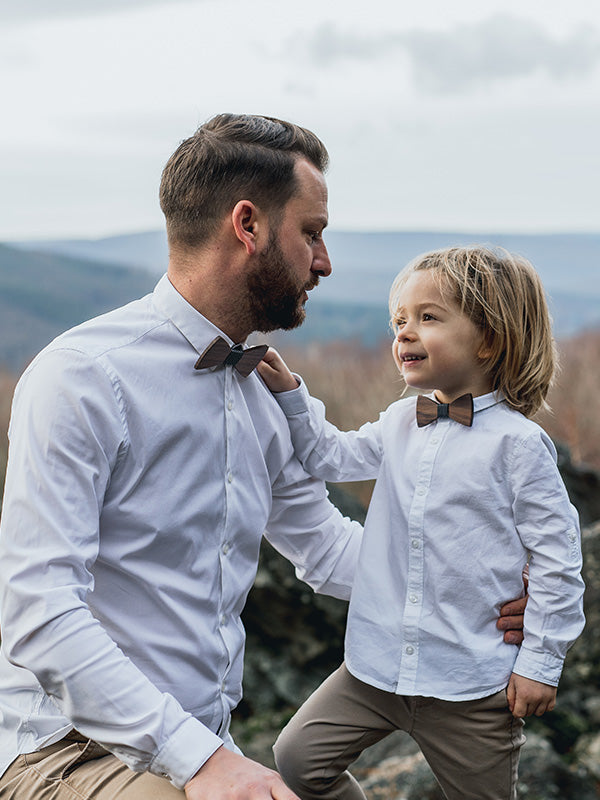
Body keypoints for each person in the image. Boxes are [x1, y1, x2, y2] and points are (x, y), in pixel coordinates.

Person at [0, 116, 526, 800]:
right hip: (66, 751)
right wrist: (206, 763)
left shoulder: (261, 393)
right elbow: (39, 609)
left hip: (200, 747)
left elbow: (328, 548)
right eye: (311, 232)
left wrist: (479, 590)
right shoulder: (83, 377)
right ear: (247, 225)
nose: (326, 261)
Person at [258, 245, 586, 800]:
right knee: (296, 761)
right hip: (376, 668)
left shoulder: (521, 445)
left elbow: (559, 559)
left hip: (470, 684)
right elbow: (331, 458)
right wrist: (292, 397)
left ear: (490, 338)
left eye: (428, 318)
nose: (404, 334)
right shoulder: (399, 421)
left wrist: (540, 662)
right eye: (399, 321)